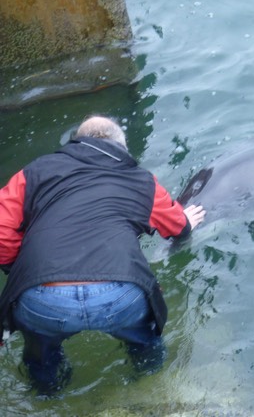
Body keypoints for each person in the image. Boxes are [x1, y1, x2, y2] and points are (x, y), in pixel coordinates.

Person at [0, 116, 206, 395]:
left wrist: (23, 270)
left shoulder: (34, 172)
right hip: (120, 293)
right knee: (145, 342)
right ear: (122, 147)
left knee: (40, 357)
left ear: (76, 141)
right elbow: (176, 227)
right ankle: (150, 386)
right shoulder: (141, 179)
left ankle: (48, 395)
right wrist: (186, 223)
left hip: (43, 298)